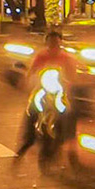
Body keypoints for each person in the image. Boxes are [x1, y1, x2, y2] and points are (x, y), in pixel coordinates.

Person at [16, 30, 78, 161]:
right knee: (31, 111)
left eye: (56, 42)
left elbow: (73, 75)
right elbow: (32, 71)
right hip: (42, 90)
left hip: (60, 93)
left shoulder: (66, 57)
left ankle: (72, 149)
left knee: (70, 115)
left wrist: (71, 84)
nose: (53, 45)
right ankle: (26, 141)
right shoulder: (41, 56)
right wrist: (26, 81)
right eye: (51, 42)